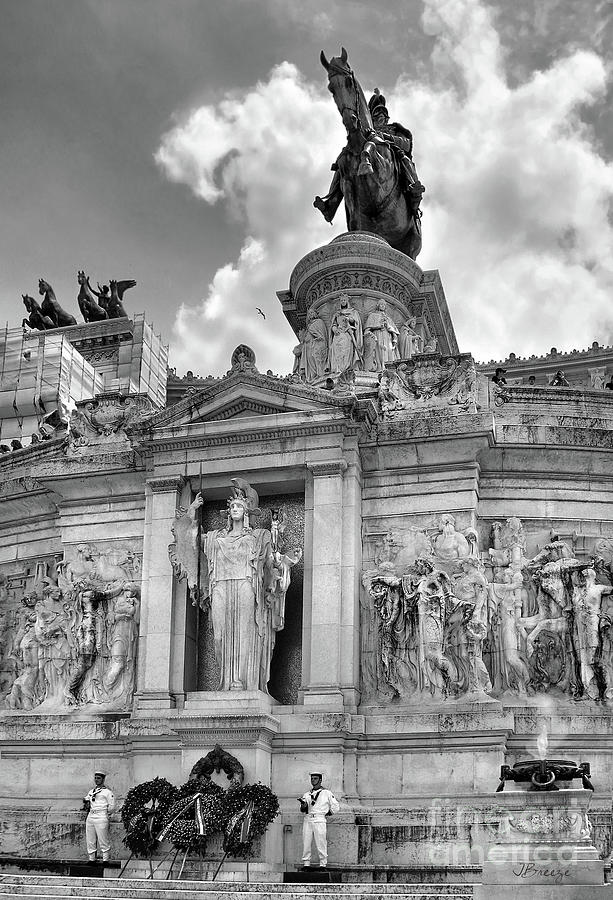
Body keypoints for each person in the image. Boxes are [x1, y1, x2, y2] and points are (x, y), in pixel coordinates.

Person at [298, 772, 340, 870]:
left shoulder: (327, 793)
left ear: (320, 780)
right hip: (308, 818)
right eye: (312, 779)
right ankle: (306, 863)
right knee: (306, 841)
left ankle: (323, 864)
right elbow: (303, 809)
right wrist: (303, 805)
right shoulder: (307, 794)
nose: (313, 780)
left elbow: (336, 806)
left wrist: (328, 813)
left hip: (319, 818)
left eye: (315, 778)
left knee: (321, 841)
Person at [83, 771, 115, 862]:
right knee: (90, 839)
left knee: (103, 838)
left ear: (103, 779)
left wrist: (106, 813)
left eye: (99, 778)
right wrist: (86, 802)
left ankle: (105, 859)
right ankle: (91, 859)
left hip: (101, 815)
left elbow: (112, 806)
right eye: (95, 778)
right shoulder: (91, 791)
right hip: (91, 815)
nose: (96, 780)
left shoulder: (107, 792)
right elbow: (86, 799)